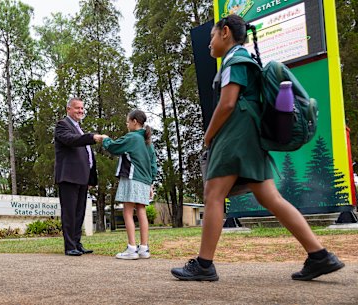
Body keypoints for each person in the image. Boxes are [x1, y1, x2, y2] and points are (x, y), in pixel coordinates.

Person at [170, 14, 345, 281]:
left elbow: (227, 103)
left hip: (235, 136)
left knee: (213, 195)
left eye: (212, 37)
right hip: (249, 136)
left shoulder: (236, 60)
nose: (209, 44)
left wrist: (208, 135)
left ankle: (204, 265)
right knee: (269, 197)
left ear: (225, 32)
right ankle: (319, 255)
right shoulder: (243, 59)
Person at [101, 110, 157, 260]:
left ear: (134, 122)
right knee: (141, 211)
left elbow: (113, 147)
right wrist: (151, 183)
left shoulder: (132, 137)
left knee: (127, 211)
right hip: (145, 181)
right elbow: (153, 164)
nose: (126, 124)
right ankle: (144, 248)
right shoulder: (148, 141)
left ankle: (132, 248)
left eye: (127, 121)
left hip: (132, 178)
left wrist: (105, 139)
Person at [54, 97, 104, 256]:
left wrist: (90, 178)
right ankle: (69, 246)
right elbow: (71, 140)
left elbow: (87, 155)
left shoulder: (79, 128)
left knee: (79, 213)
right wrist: (91, 137)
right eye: (77, 108)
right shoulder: (62, 125)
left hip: (82, 178)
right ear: (68, 109)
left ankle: (77, 243)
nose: (81, 111)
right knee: (69, 213)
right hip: (68, 177)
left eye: (82, 108)